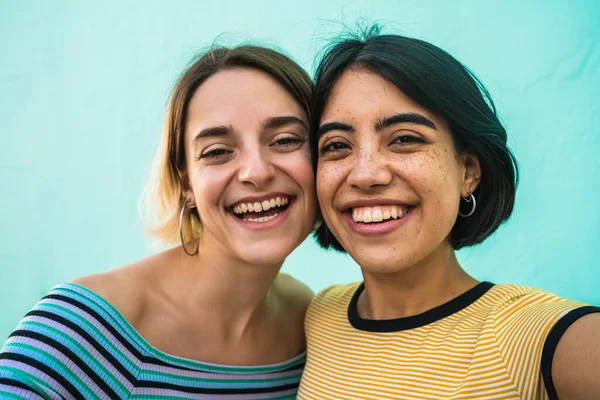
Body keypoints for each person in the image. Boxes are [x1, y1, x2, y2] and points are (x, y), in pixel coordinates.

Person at [298, 26, 600, 400]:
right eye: (337, 145)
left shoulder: (541, 336)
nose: (366, 174)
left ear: (468, 171)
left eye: (405, 139)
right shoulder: (318, 316)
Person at [0, 44, 317, 399]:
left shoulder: (306, 321)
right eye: (216, 151)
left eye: (286, 140)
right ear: (185, 184)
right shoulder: (79, 329)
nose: (256, 171)